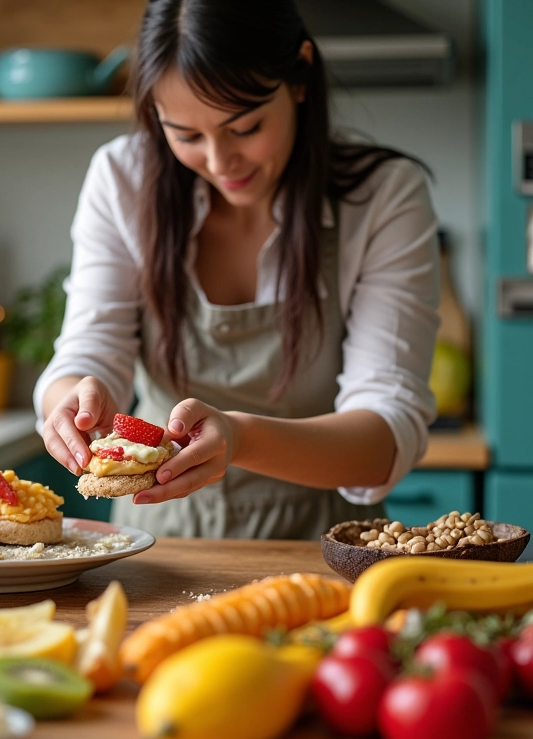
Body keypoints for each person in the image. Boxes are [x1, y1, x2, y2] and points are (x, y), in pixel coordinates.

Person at [33, 0, 439, 539]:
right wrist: (71, 405)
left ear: (299, 76)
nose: (221, 162)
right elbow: (89, 349)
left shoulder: (385, 196)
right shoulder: (122, 178)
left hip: (321, 543)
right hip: (157, 536)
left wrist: (239, 440)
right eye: (187, 135)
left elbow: (386, 434)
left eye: (244, 127)